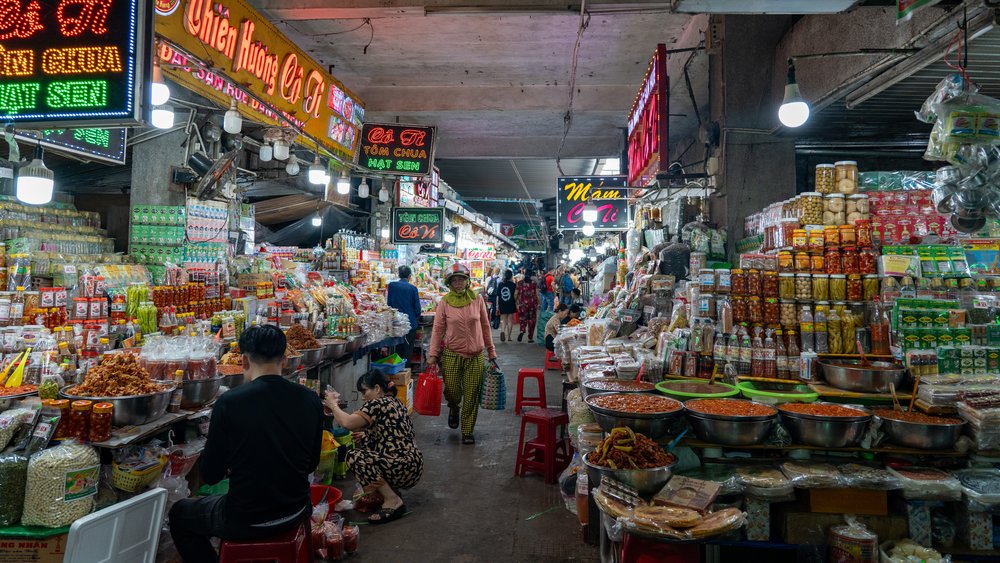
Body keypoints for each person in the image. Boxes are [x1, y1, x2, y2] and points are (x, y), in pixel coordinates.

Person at [169, 325, 323, 563]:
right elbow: (311, 463)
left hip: (245, 518)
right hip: (297, 510)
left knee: (180, 515)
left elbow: (210, 475)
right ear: (284, 358)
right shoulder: (310, 398)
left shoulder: (230, 402)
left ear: (243, 360)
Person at [323, 372, 423, 524]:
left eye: (364, 392)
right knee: (366, 445)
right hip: (413, 466)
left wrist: (333, 404)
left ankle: (392, 500)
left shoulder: (377, 403)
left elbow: (347, 423)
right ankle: (388, 493)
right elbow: (393, 436)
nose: (363, 397)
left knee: (354, 457)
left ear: (377, 388)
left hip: (401, 467)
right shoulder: (396, 403)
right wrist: (366, 436)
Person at [427, 264, 498, 444]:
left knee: (471, 394)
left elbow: (485, 326)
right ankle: (453, 407)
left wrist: (491, 352)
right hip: (451, 354)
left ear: (467, 281)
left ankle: (467, 431)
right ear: (450, 283)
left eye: (461, 279)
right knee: (452, 391)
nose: (458, 283)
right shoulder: (444, 302)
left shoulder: (477, 300)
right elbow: (437, 330)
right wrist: (433, 353)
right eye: (455, 280)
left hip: (475, 355)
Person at [387, 266, 422, 365]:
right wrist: (416, 317)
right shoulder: (413, 288)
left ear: (398, 274)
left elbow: (389, 304)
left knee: (396, 348)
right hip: (410, 323)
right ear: (410, 276)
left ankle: (396, 371)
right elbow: (417, 309)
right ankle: (406, 372)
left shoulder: (391, 286)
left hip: (395, 323)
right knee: (408, 349)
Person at [515, 271, 540, 343]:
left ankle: (522, 330)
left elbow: (516, 294)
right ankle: (530, 338)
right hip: (532, 304)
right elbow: (537, 294)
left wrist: (516, 301)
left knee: (523, 319)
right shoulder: (534, 283)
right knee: (532, 320)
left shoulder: (520, 283)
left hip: (522, 304)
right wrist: (540, 303)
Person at [495, 269, 518, 342]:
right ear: (511, 276)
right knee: (510, 320)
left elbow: (498, 296)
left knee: (503, 320)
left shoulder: (500, 284)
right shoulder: (513, 285)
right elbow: (515, 295)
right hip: (511, 303)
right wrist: (515, 301)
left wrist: (497, 306)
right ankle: (509, 337)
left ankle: (502, 331)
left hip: (502, 303)